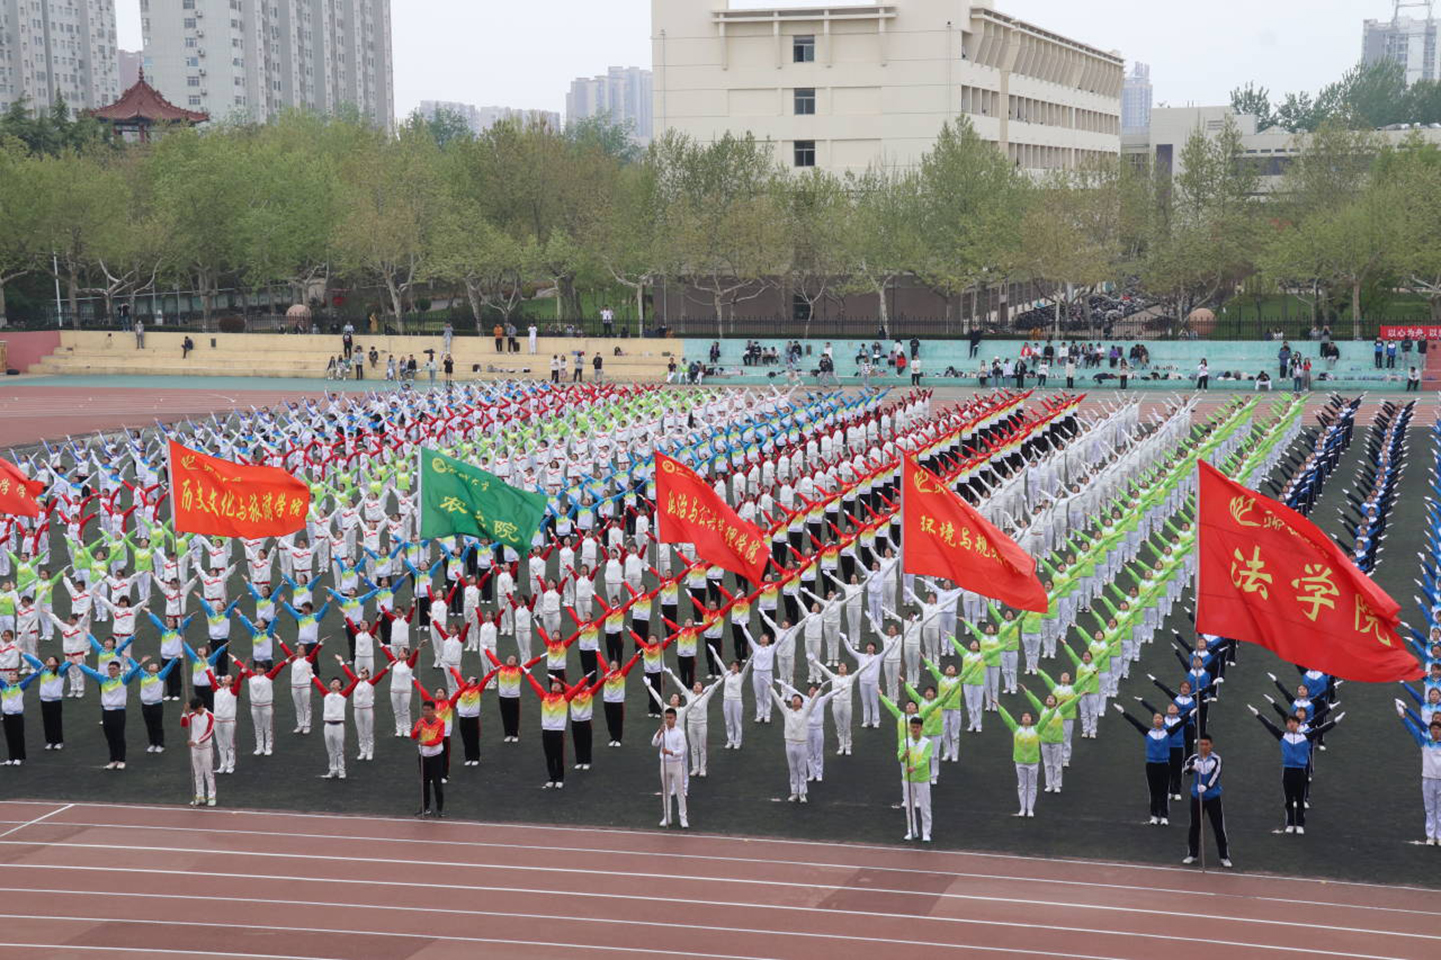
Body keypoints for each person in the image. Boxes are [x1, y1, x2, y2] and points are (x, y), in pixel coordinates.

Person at [1249, 704, 1344, 834]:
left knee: (1300, 799)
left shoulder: (1306, 736)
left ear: (1298, 724)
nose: (1291, 724)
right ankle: (1289, 823)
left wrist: (1335, 721)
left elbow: (1322, 729)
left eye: (1293, 722)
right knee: (1288, 800)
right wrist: (1257, 714)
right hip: (1287, 771)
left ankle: (1300, 824)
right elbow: (1270, 726)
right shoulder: (1283, 736)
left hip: (1300, 771)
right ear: (1287, 725)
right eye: (1289, 723)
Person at [1395, 702, 1441, 844]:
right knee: (1430, 809)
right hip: (1427, 779)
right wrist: (1403, 716)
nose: (1435, 731)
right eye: (1433, 729)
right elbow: (1413, 729)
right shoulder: (1424, 742)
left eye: (1438, 729)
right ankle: (1430, 836)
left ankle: (1439, 836)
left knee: (1440, 810)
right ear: (1430, 730)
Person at [1182, 734, 1231, 867]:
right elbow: (1185, 769)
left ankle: (1224, 856)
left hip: (1213, 797)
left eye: (1206, 744)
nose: (1204, 747)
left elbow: (1216, 775)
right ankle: (1192, 854)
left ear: (1211, 745)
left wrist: (1207, 786)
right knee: (1194, 826)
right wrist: (1192, 768)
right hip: (1196, 797)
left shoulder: (1216, 759)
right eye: (1201, 744)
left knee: (1218, 826)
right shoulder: (1193, 758)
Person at [653, 706, 688, 828]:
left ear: (675, 718)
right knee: (666, 792)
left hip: (676, 765)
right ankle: (667, 817)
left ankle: (683, 818)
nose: (668, 720)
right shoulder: (662, 731)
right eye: (666, 718)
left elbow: (681, 751)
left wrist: (670, 752)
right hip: (664, 765)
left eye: (670, 718)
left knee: (680, 792)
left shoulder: (680, 733)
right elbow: (654, 743)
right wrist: (659, 732)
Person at [412, 699, 447, 818]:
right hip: (423, 757)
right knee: (424, 783)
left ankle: (439, 809)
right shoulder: (420, 722)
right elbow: (413, 736)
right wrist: (417, 730)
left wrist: (425, 743)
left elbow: (439, 739)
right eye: (424, 710)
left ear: (434, 711)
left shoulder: (440, 723)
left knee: (437, 783)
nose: (425, 712)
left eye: (428, 710)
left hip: (436, 757)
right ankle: (425, 807)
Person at [899, 716, 932, 841]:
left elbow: (925, 760)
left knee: (925, 806)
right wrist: (904, 755)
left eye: (917, 727)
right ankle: (911, 831)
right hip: (907, 779)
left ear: (921, 728)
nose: (915, 729)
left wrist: (914, 767)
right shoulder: (905, 742)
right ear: (910, 728)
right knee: (909, 806)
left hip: (922, 779)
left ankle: (926, 832)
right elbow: (900, 758)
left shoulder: (927, 743)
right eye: (913, 727)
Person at [180, 696, 217, 807]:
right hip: (195, 750)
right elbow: (184, 724)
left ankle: (211, 796)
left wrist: (196, 742)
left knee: (209, 773)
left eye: (197, 709)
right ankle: (200, 796)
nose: (196, 712)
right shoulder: (192, 715)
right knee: (197, 774)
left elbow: (209, 732)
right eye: (194, 710)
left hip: (206, 748)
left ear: (201, 706)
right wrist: (185, 712)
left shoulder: (210, 716)